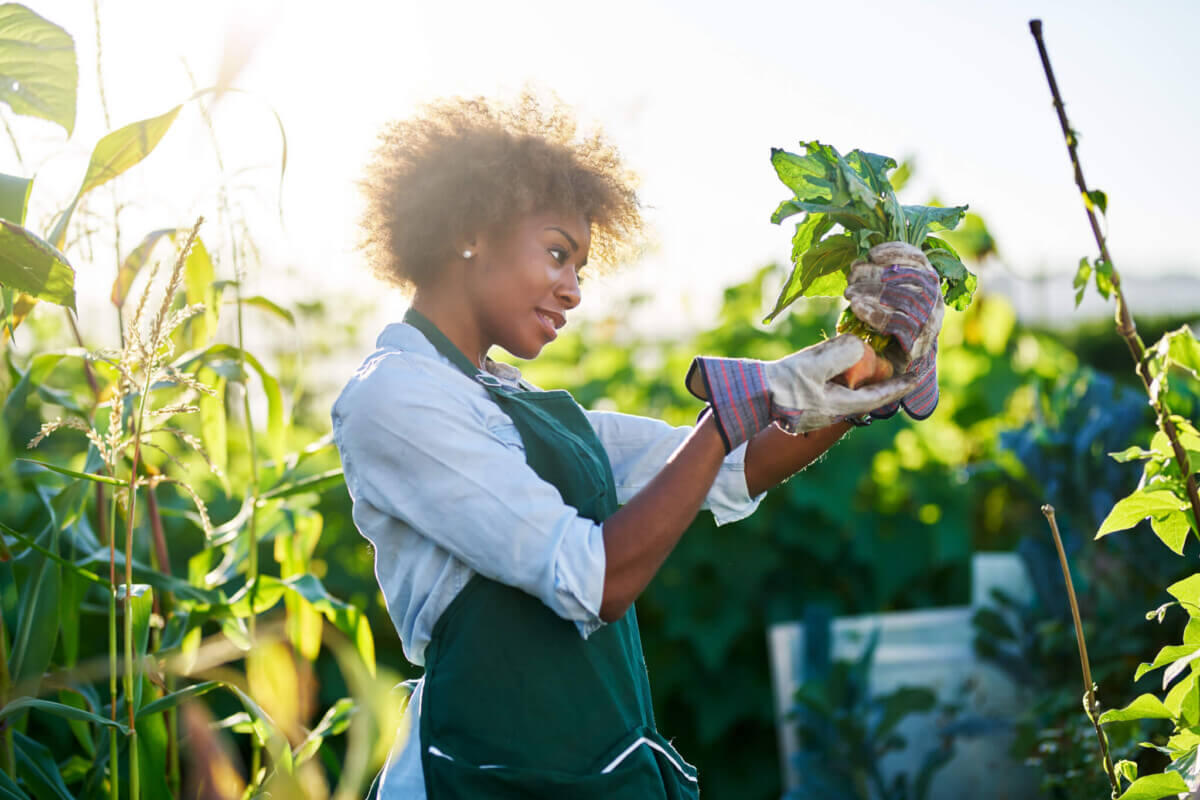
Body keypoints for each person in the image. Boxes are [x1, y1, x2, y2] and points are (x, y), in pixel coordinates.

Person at [332, 94, 943, 799]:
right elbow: (593, 579)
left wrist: (865, 375)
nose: (574, 291)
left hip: (584, 769)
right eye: (559, 255)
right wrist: (730, 416)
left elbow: (732, 464)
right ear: (472, 231)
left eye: (581, 268)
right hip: (479, 775)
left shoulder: (514, 403)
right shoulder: (397, 399)